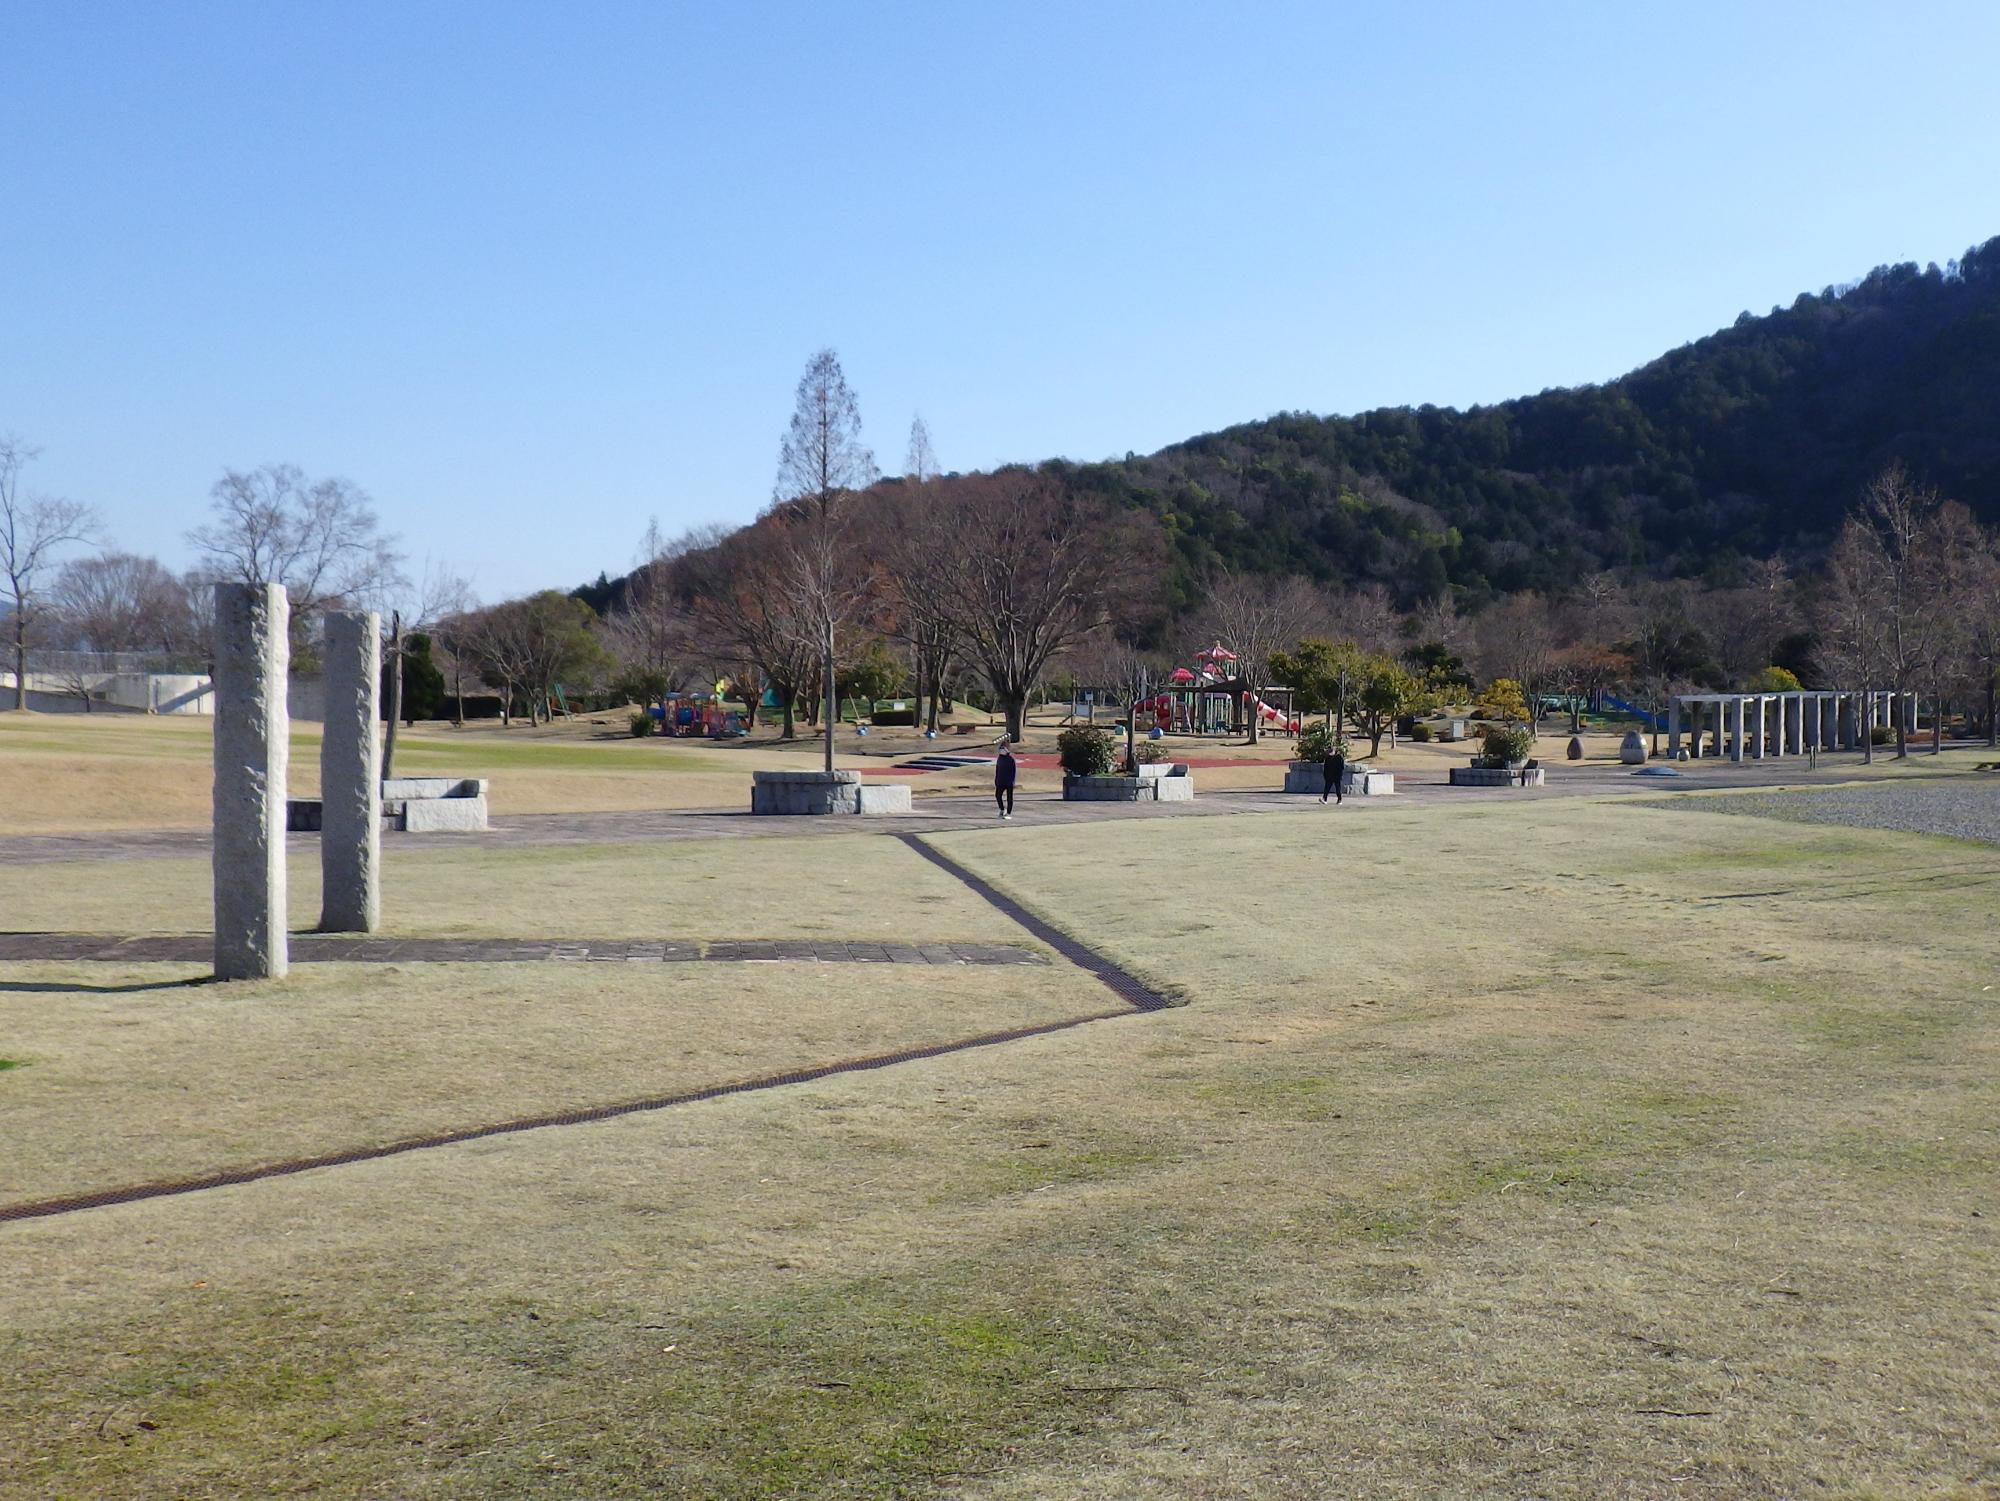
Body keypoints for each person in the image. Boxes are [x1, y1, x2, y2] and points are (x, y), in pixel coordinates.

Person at [994, 738, 1017, 819]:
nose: (1001, 750)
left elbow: (1013, 772)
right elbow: (997, 770)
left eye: (1003, 748)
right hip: (1000, 781)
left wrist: (1012, 782)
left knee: (1009, 798)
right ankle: (1002, 809)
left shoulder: (1011, 759)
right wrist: (996, 780)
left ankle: (1008, 813)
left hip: (1009, 782)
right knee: (997, 795)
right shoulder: (1000, 758)